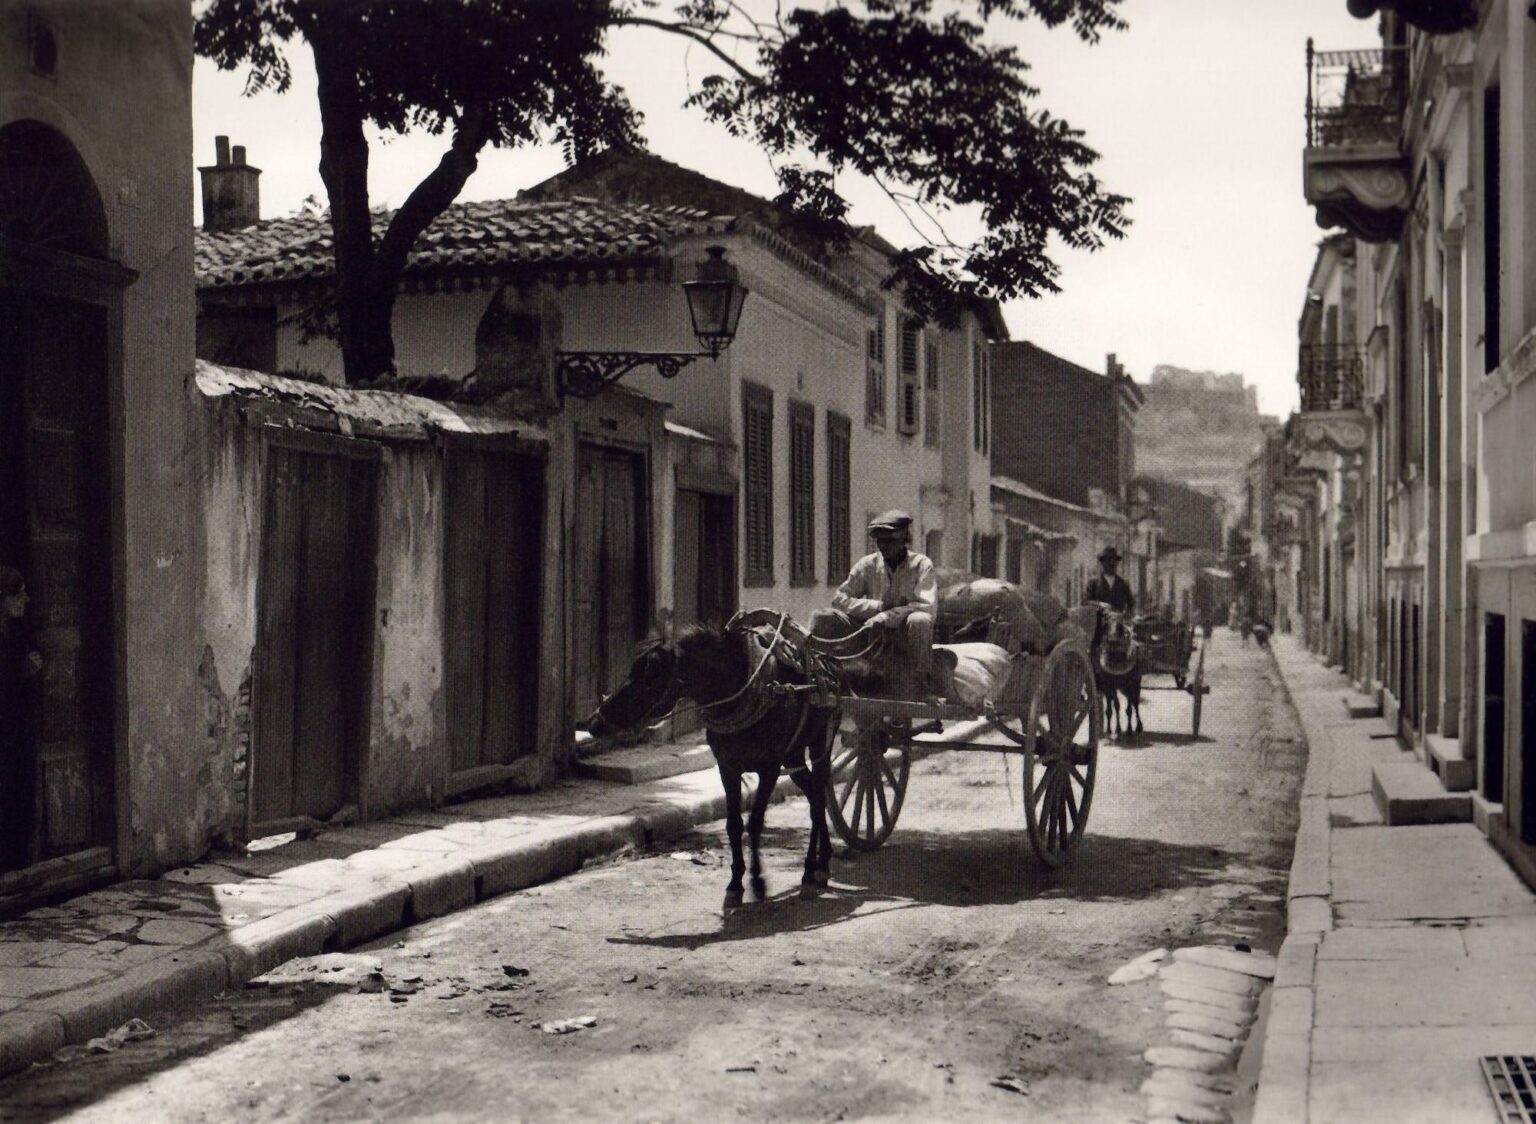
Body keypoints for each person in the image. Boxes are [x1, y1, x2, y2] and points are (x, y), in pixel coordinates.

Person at [810, 510, 936, 685]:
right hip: (869, 632)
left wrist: (886, 617)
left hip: (904, 635)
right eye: (879, 541)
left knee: (920, 620)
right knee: (822, 617)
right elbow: (839, 599)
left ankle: (921, 680)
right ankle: (818, 674)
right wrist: (876, 607)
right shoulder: (867, 564)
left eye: (890, 541)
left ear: (904, 540)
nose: (884, 546)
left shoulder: (922, 565)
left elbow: (926, 605)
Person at [1, 566, 41, 870]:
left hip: (15, 734)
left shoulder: (15, 633)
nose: (25, 598)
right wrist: (19, 672)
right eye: (18, 592)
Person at [1084, 545, 1134, 614]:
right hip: (1098, 622)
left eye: (1114, 560)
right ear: (1103, 562)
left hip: (1117, 622)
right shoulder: (1093, 583)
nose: (1112, 563)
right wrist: (1100, 604)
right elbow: (1086, 602)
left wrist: (1123, 615)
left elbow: (1131, 605)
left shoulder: (1123, 584)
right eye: (1108, 560)